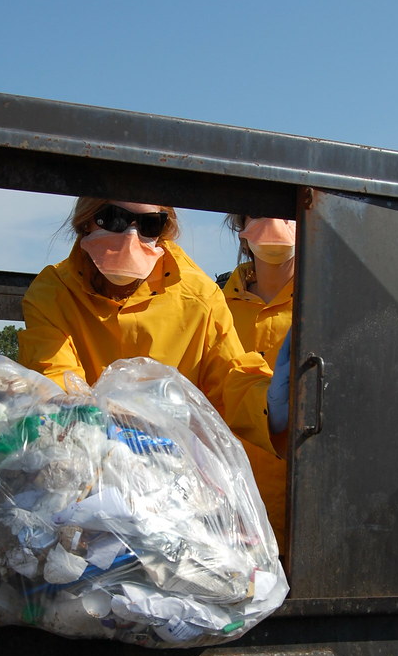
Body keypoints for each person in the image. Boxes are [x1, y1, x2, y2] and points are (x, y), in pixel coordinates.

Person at [17, 198, 286, 462]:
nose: (131, 236)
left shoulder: (199, 296)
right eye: (115, 219)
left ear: (164, 230)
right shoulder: (52, 293)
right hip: (84, 459)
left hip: (172, 468)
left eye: (149, 225)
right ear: (86, 221)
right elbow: (55, 381)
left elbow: (230, 382)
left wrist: (270, 404)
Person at [221, 215, 295, 550]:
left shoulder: (333, 305)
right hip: (224, 519)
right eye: (262, 211)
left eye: (287, 210)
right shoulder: (212, 304)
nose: (276, 222)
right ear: (241, 226)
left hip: (303, 517)